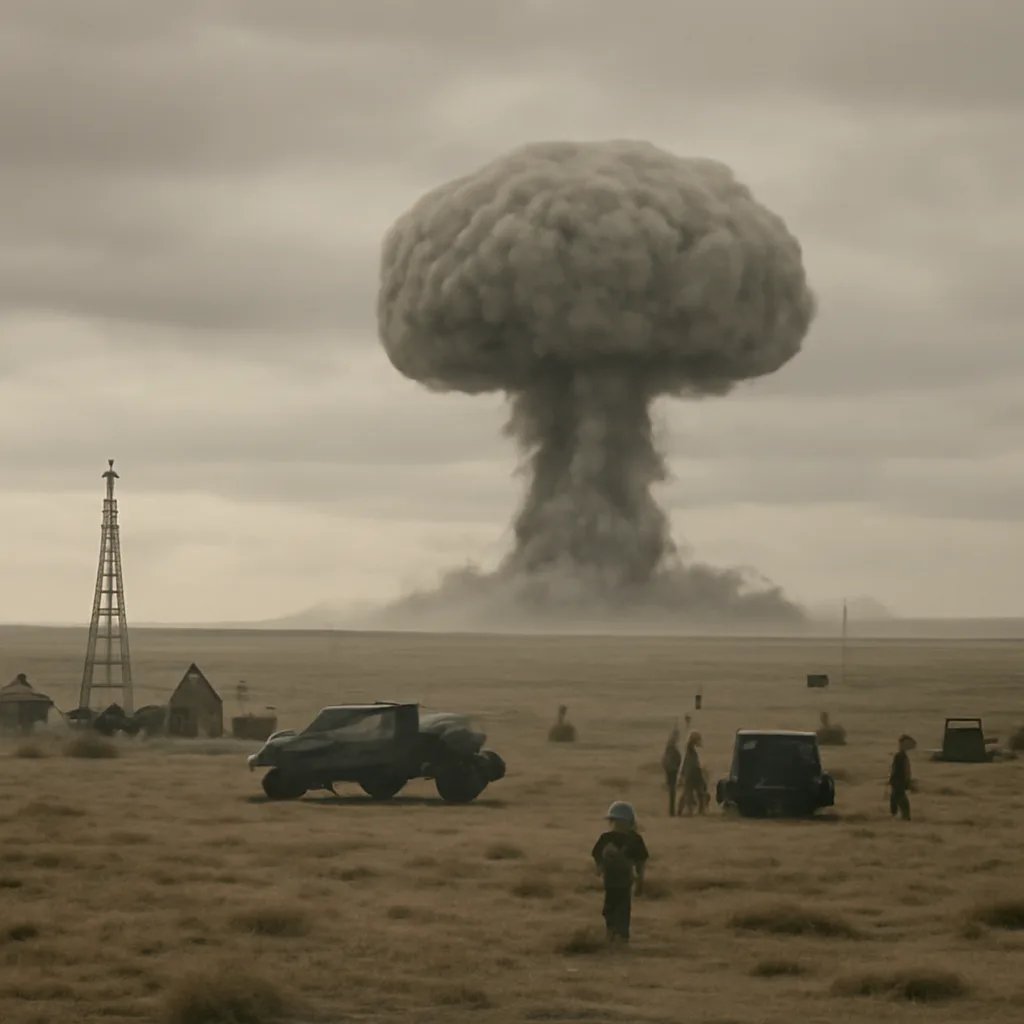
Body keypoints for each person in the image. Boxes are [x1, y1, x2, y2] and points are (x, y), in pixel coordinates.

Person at [591, 801, 649, 943]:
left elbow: (640, 862)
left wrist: (640, 880)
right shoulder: (630, 839)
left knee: (619, 909)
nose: (618, 824)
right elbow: (640, 861)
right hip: (614, 882)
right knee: (613, 909)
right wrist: (640, 880)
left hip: (619, 881)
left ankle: (620, 936)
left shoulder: (622, 839)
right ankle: (614, 935)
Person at [678, 730, 708, 816]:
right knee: (694, 794)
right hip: (693, 775)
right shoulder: (691, 752)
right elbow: (691, 765)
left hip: (691, 775)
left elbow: (686, 764)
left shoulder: (690, 751)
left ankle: (684, 810)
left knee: (691, 793)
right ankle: (693, 810)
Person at [888, 733, 916, 820]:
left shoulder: (900, 756)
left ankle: (899, 816)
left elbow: (900, 769)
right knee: (899, 800)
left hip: (898, 781)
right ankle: (903, 817)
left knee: (897, 799)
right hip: (898, 781)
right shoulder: (901, 756)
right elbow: (904, 770)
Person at [661, 724, 682, 816]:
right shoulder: (672, 748)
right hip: (672, 770)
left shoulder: (669, 747)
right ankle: (672, 811)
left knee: (672, 791)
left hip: (670, 770)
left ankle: (672, 811)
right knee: (672, 792)